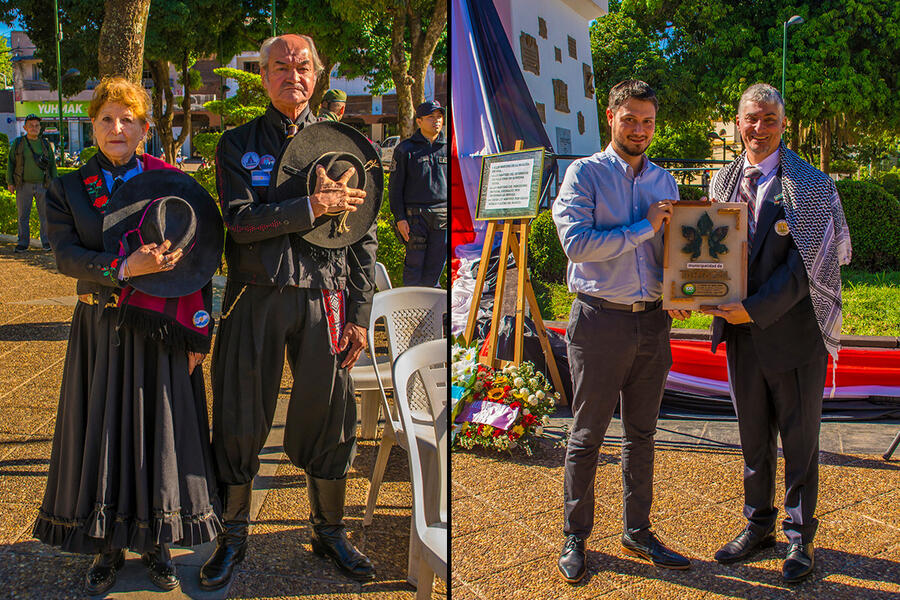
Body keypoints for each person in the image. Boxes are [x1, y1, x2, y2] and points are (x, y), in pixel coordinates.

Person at [32, 77, 223, 595]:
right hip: (101, 325)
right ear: (91, 125)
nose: (117, 129)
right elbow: (66, 256)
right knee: (105, 431)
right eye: (106, 119)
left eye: (128, 120)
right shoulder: (68, 187)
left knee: (156, 432)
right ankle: (107, 546)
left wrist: (198, 335)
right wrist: (124, 268)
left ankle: (158, 542)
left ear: (144, 126)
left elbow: (200, 261)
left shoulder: (171, 181)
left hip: (160, 326)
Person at [201, 34, 377, 590]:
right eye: (280, 67)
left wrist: (359, 315)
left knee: (332, 415)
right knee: (238, 414)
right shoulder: (236, 144)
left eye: (303, 66)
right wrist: (310, 206)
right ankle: (231, 538)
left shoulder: (346, 144)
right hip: (256, 295)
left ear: (318, 75)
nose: (292, 75)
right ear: (263, 76)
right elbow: (240, 221)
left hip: (325, 297)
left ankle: (329, 531)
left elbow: (363, 237)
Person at [702, 83, 851, 583]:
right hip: (742, 339)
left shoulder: (811, 184)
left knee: (800, 441)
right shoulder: (722, 183)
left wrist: (751, 309)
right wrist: (694, 291)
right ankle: (758, 524)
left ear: (783, 125)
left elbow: (807, 268)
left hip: (793, 337)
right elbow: (708, 255)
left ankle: (799, 537)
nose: (758, 128)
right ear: (738, 122)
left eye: (769, 119)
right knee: (752, 440)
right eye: (750, 118)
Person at [552, 80, 692, 584]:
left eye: (648, 121)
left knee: (642, 433)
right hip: (599, 320)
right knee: (586, 434)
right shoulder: (583, 174)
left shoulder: (665, 181)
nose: (640, 129)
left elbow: (673, 251)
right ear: (610, 117)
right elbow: (578, 245)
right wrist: (644, 226)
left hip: (653, 322)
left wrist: (681, 292)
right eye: (630, 118)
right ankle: (576, 535)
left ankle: (637, 529)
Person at [388, 100, 447, 287]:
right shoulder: (406, 149)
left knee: (435, 268)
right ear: (419, 121)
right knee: (414, 269)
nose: (436, 121)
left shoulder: (449, 147)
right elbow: (395, 188)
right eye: (431, 117)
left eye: (439, 117)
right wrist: (400, 218)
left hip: (443, 217)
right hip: (415, 219)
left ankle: (431, 314)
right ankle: (411, 313)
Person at [7, 113, 57, 252]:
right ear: (25, 127)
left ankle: (46, 242)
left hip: (43, 185)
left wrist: (55, 183)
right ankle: (23, 242)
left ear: (40, 127)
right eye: (31, 125)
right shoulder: (18, 143)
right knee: (23, 215)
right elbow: (11, 163)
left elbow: (52, 165)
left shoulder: (45, 144)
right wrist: (10, 182)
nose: (34, 128)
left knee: (45, 216)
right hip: (23, 185)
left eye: (36, 125)